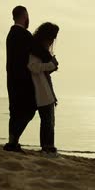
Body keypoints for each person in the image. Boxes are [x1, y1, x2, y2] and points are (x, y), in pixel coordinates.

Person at [4, 5, 37, 152]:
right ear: (24, 16)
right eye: (27, 15)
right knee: (29, 110)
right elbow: (37, 50)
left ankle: (12, 142)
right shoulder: (24, 35)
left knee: (15, 111)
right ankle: (13, 142)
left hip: (11, 78)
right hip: (23, 79)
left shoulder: (10, 34)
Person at [28, 22, 60, 154]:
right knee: (47, 121)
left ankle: (48, 146)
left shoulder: (40, 51)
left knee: (49, 121)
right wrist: (51, 65)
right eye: (51, 38)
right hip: (41, 91)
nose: (52, 41)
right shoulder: (35, 51)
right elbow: (33, 67)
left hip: (45, 90)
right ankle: (47, 147)